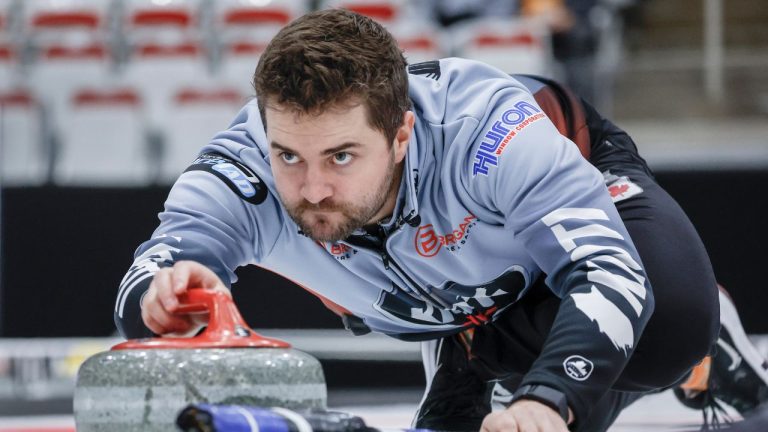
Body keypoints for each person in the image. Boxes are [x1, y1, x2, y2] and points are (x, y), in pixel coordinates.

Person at [114, 9, 768, 432]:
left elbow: (609, 272)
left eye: (342, 156)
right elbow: (159, 260)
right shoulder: (245, 166)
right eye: (290, 155)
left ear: (400, 136)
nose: (311, 188)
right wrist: (163, 293)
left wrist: (547, 401)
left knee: (670, 322)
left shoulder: (484, 129)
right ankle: (473, 352)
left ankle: (697, 356)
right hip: (450, 294)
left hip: (570, 180)